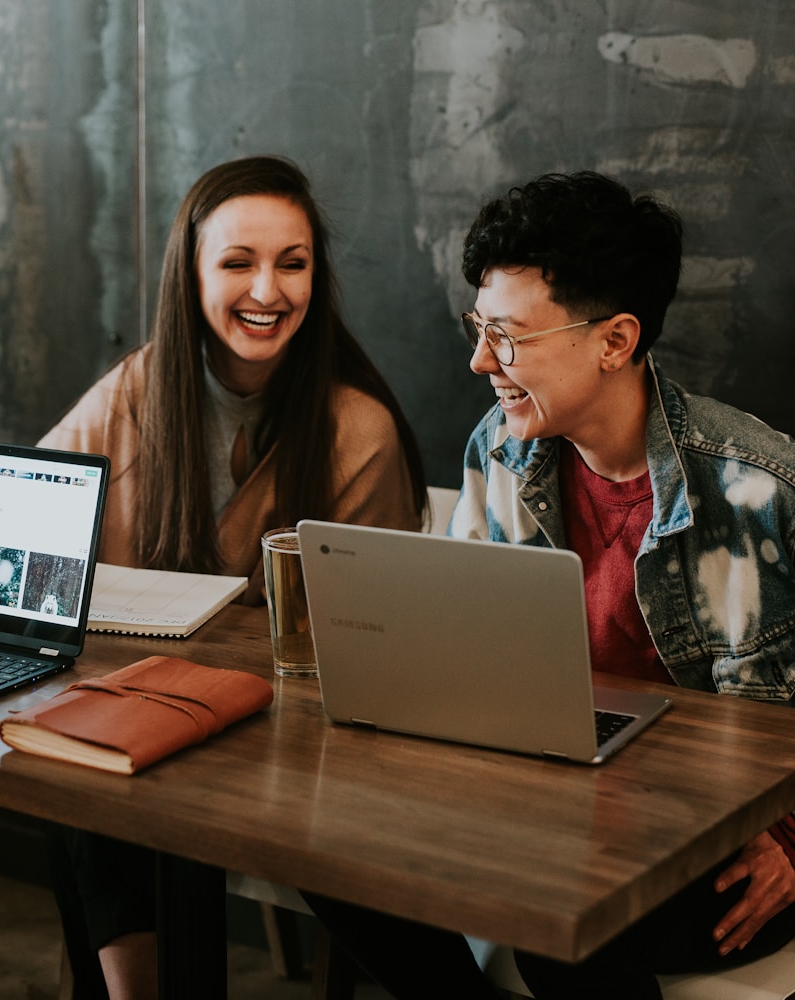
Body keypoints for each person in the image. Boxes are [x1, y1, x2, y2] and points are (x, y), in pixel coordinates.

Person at [303, 171, 795, 999]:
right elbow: (461, 655)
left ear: (614, 341)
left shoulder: (760, 490)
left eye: (507, 336)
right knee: (326, 852)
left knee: (562, 924)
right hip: (552, 804)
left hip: (721, 838)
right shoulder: (500, 449)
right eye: (478, 328)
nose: (478, 360)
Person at [40, 154, 427, 1000]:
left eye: (293, 263)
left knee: (96, 774)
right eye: (238, 262)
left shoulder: (355, 428)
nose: (268, 290)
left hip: (288, 743)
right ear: (192, 273)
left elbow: (370, 643)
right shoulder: (142, 386)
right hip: (145, 716)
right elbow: (37, 512)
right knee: (75, 767)